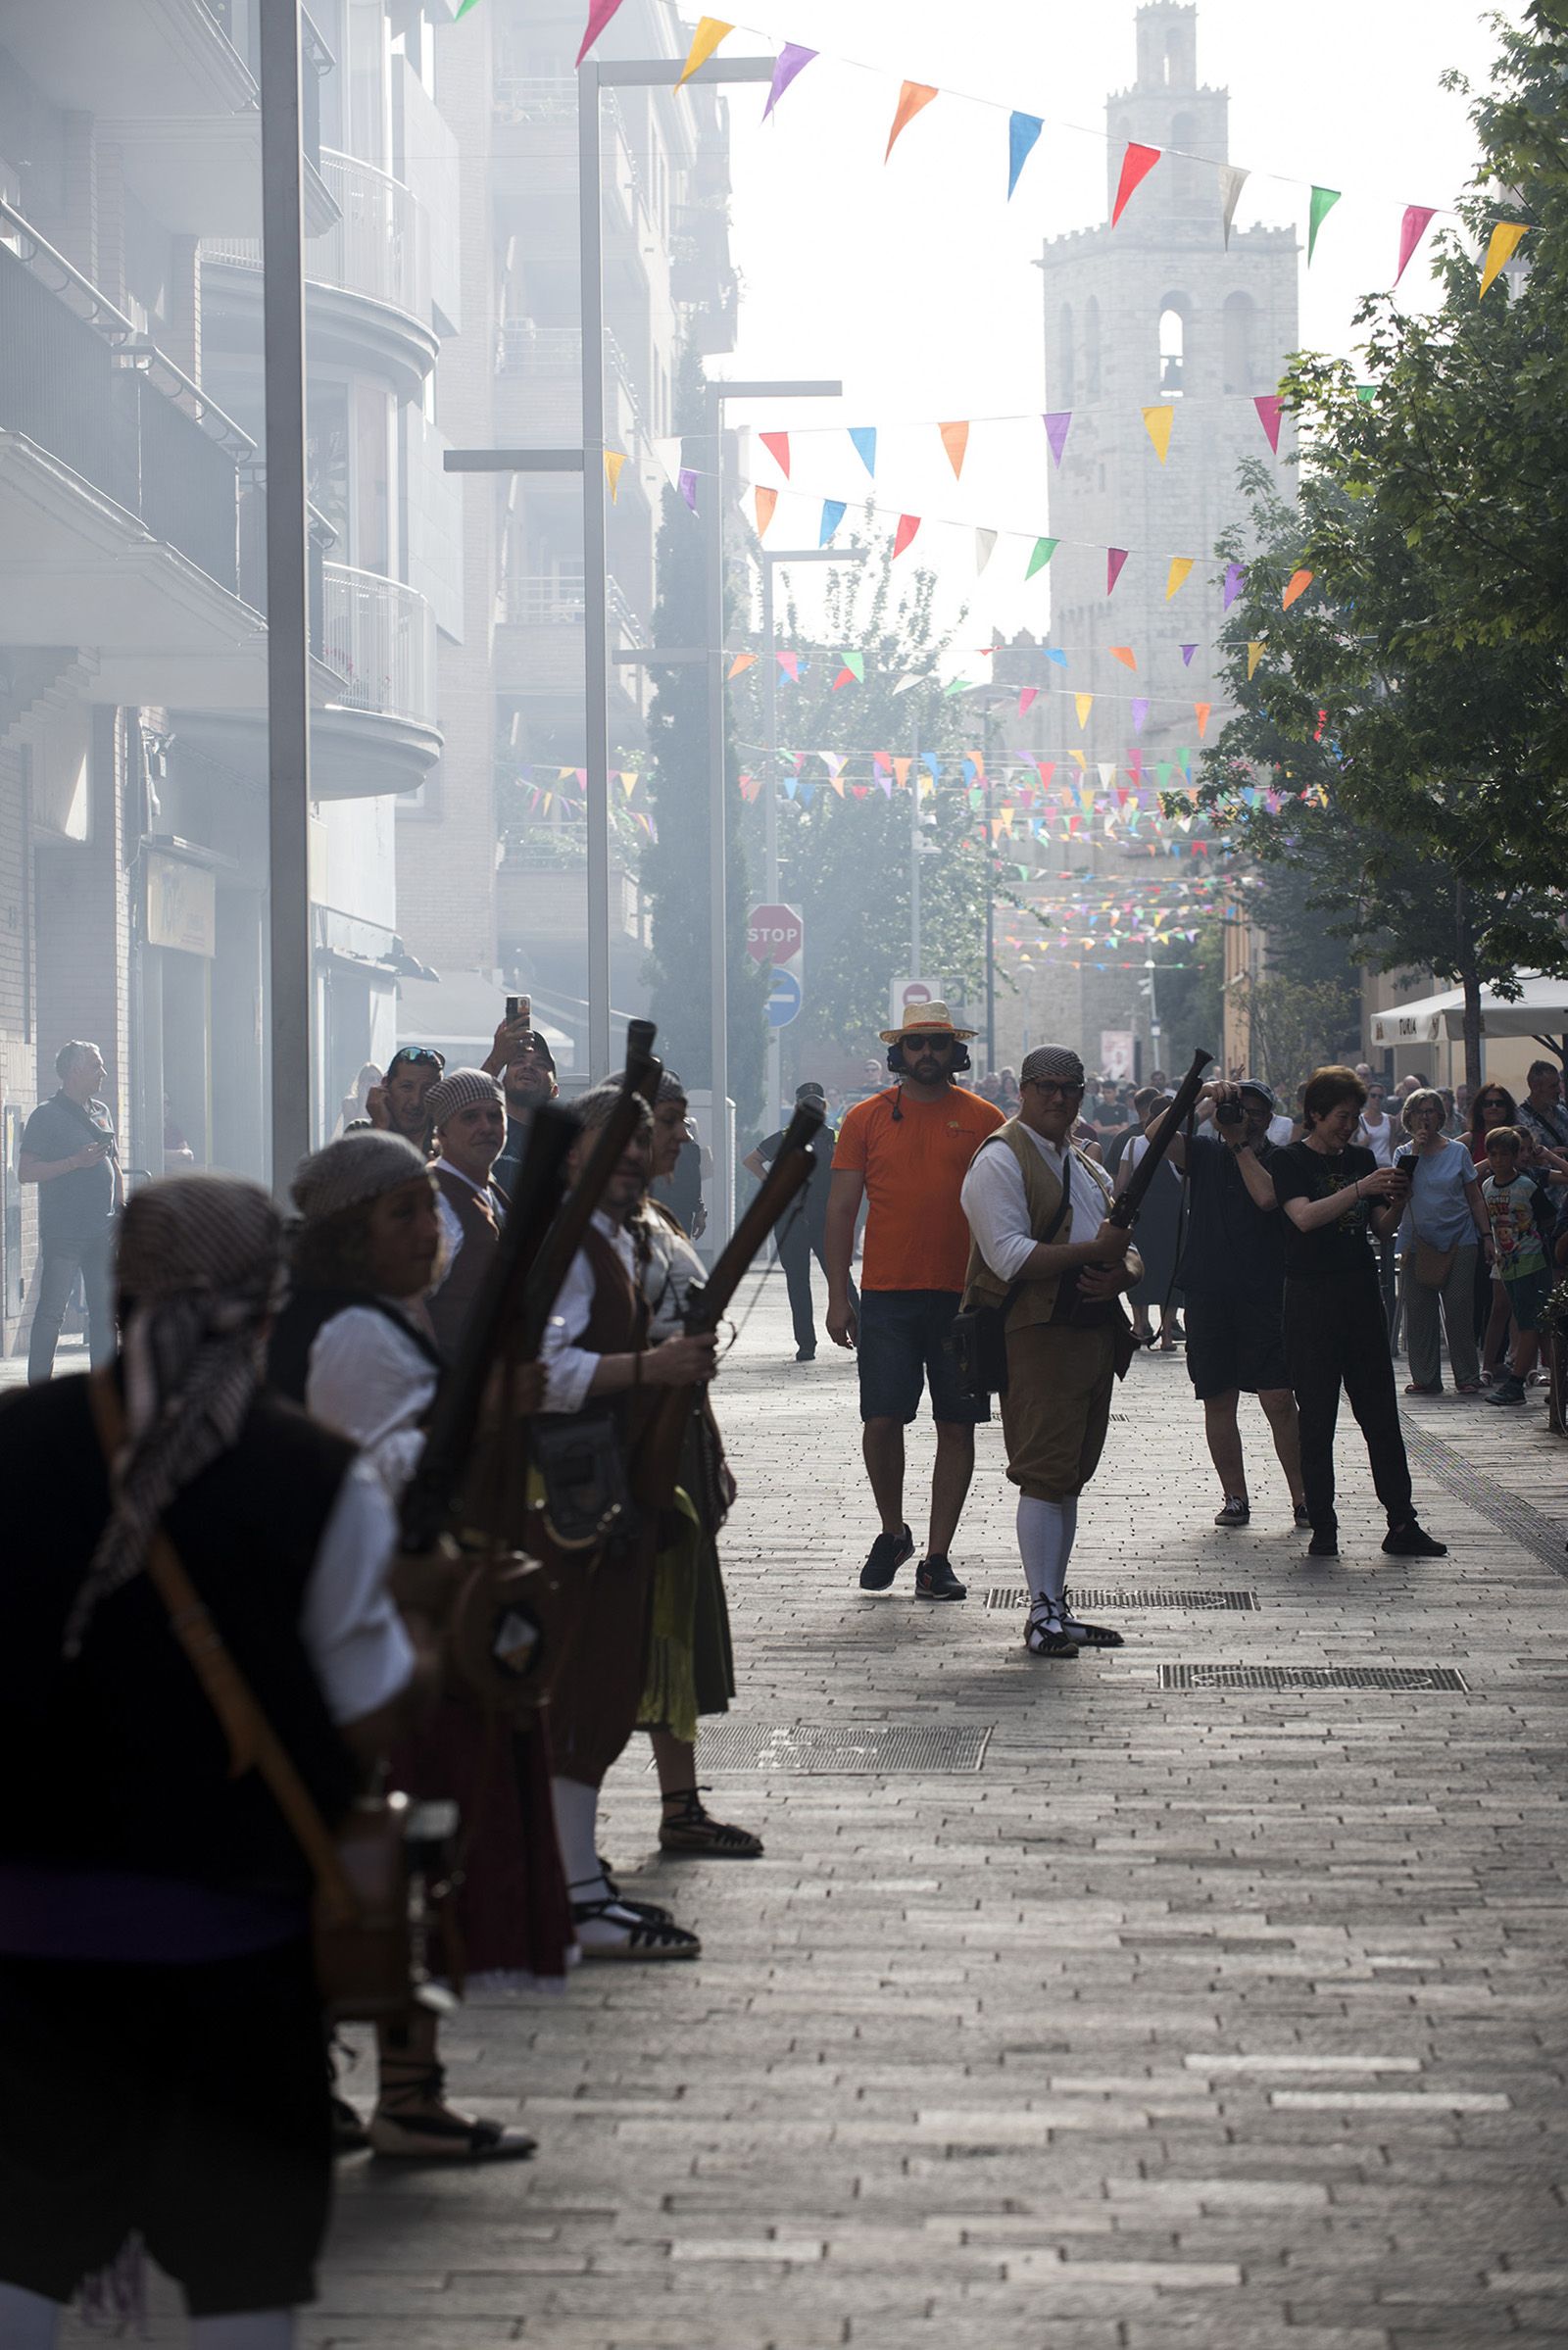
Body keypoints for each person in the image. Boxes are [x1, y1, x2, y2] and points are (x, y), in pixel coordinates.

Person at [0, 1174, 417, 2344]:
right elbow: (370, 1699)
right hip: (237, 1941)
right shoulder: (314, 1478)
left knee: (21, 2236)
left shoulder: (13, 1446)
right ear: (269, 1306)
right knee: (242, 2260)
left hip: (26, 1937)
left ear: (122, 1294)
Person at [270, 1129, 563, 2159]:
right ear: (350, 1235)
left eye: (422, 1208)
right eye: (398, 1213)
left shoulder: (370, 1320)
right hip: (375, 1622)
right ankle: (406, 2089)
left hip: (368, 1617)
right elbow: (373, 1475)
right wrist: (480, 1407)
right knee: (403, 1857)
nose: (425, 1228)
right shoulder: (350, 1333)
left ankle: (353, 2084)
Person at [539, 1085, 717, 1957]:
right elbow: (544, 1374)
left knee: (607, 1685)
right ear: (574, 1155)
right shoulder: (572, 1243)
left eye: (644, 1141)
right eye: (616, 1143)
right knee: (582, 1687)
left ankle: (578, 1878)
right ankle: (570, 1889)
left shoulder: (613, 1237)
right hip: (579, 1480)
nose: (638, 1156)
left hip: (623, 1466)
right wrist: (653, 1367)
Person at [959, 1044, 1139, 1658]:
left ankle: (1056, 1605)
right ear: (1024, 1091)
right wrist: (1098, 1256)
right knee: (1042, 1475)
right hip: (1034, 1334)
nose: (1059, 1097)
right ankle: (1040, 1611)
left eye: (1070, 1088)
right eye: (1046, 1086)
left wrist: (1124, 1272)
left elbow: (1121, 1238)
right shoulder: (1000, 1158)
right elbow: (1009, 1256)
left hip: (1089, 1332)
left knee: (1067, 1478)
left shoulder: (1084, 1165)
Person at [824, 1004, 1005, 1602]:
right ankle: (892, 1531)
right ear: (898, 1052)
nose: (926, 1053)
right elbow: (842, 1210)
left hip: (963, 1297)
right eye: (915, 1043)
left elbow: (1007, 1206)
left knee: (957, 1424)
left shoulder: (985, 1119)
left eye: (937, 1043)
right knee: (881, 1421)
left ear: (955, 1051)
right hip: (886, 1295)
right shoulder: (865, 1119)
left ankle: (936, 1556)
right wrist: (837, 1294)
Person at [632, 1074, 760, 1858]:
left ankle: (680, 1802)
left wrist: (709, 1440)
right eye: (669, 1123)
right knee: (622, 1632)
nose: (682, 1137)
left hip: (677, 1440)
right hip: (629, 1445)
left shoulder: (658, 1221)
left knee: (675, 1634)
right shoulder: (593, 1238)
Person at [1270, 1066, 1446, 1560]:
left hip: (1360, 1293)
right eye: (1341, 1117)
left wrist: (1397, 1200)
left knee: (1380, 1415)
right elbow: (1304, 1217)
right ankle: (1323, 1525)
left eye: (1353, 1117)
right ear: (1315, 1114)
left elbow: (1381, 1228)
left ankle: (1402, 1521)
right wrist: (1361, 1187)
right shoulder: (1288, 1161)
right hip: (1310, 1299)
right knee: (1318, 1416)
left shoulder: (1362, 1158)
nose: (1349, 1126)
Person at [1162, 1079, 1306, 1531]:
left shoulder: (1278, 1158)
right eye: (1237, 1108)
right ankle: (1235, 1497)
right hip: (1207, 1291)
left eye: (1255, 1111)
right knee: (1217, 1398)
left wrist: (1239, 1141)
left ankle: (1304, 1498)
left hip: (1262, 1293)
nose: (1245, 1116)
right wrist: (1203, 1099)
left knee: (1279, 1399)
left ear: (1269, 1118)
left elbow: (1266, 1197)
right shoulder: (1204, 1152)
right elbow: (1156, 1137)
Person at [20, 1041, 122, 1384]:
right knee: (51, 1313)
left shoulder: (102, 1111)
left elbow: (115, 1165)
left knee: (105, 1314)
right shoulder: (46, 1115)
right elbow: (26, 1171)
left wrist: (121, 1208)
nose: (103, 1073)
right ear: (75, 1071)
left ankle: (105, 1390)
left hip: (103, 1230)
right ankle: (38, 1390)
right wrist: (74, 1163)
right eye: (96, 1066)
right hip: (63, 1232)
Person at [743, 1081, 853, 1361]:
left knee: (841, 1280)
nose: (812, 1109)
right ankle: (806, 1344)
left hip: (825, 1220)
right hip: (792, 1219)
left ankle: (861, 1337)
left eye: (816, 1104)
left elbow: (852, 1169)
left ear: (824, 1107)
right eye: (807, 1105)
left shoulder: (836, 1137)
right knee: (798, 1282)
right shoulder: (785, 1136)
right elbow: (752, 1160)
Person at [1396, 1088, 1492, 1397]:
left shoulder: (1457, 1152)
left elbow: (1474, 1196)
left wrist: (1486, 1235)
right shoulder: (1403, 1153)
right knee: (1420, 1311)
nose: (1426, 1116)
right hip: (1417, 1241)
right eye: (1420, 1111)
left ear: (1441, 1115)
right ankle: (1425, 1378)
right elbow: (1398, 1193)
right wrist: (1415, 1155)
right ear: (1409, 1116)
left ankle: (1467, 1375)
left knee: (1459, 1305)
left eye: (1431, 1110)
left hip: (1460, 1238)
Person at [423, 1067, 510, 1361]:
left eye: (495, 1116)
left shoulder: (491, 1192)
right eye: (470, 1117)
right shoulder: (435, 1198)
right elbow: (410, 1301)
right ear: (442, 1133)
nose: (486, 1126)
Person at [1480, 1126, 1562, 1406]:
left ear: (1515, 1156)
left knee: (1531, 1323)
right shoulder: (1487, 1187)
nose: (1499, 1160)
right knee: (1530, 1322)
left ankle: (1516, 1383)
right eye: (1493, 1154)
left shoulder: (1527, 1186)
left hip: (1532, 1262)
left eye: (1505, 1154)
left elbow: (1547, 1219)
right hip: (1507, 1265)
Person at [1114, 1093, 1185, 1350]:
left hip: (1142, 1216)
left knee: (1140, 1268)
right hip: (1173, 1216)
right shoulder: (1181, 1145)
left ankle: (1139, 1325)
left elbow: (1122, 1185)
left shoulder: (1133, 1144)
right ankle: (1167, 1334)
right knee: (1170, 1271)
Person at [482, 998, 559, 1197]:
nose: (529, 1066)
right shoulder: (484, 1129)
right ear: (502, 1081)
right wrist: (496, 1059)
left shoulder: (562, 1144)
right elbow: (459, 1108)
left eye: (541, 1064)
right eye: (518, 1061)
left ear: (555, 1090)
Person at [366, 1045, 445, 1153]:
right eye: (407, 1087)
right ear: (385, 1085)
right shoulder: (360, 1132)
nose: (416, 1101)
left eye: (427, 1090)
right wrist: (380, 1127)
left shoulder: (449, 1139)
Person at [1516, 1059, 1568, 1157]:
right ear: (1535, 1087)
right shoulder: (1519, 1120)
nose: (1559, 1090)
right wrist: (1547, 1157)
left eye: (1558, 1084)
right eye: (1553, 1086)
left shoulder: (1562, 1111)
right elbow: (1517, 1158)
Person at [1355, 1081, 1396, 1167]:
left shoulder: (1390, 1120)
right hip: (1366, 1164)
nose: (1377, 1099)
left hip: (1385, 1165)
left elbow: (1392, 1145)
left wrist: (1394, 1165)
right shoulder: (1358, 1120)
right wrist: (1361, 1144)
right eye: (1373, 1095)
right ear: (1367, 1097)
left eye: (1380, 1096)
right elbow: (1347, 1144)